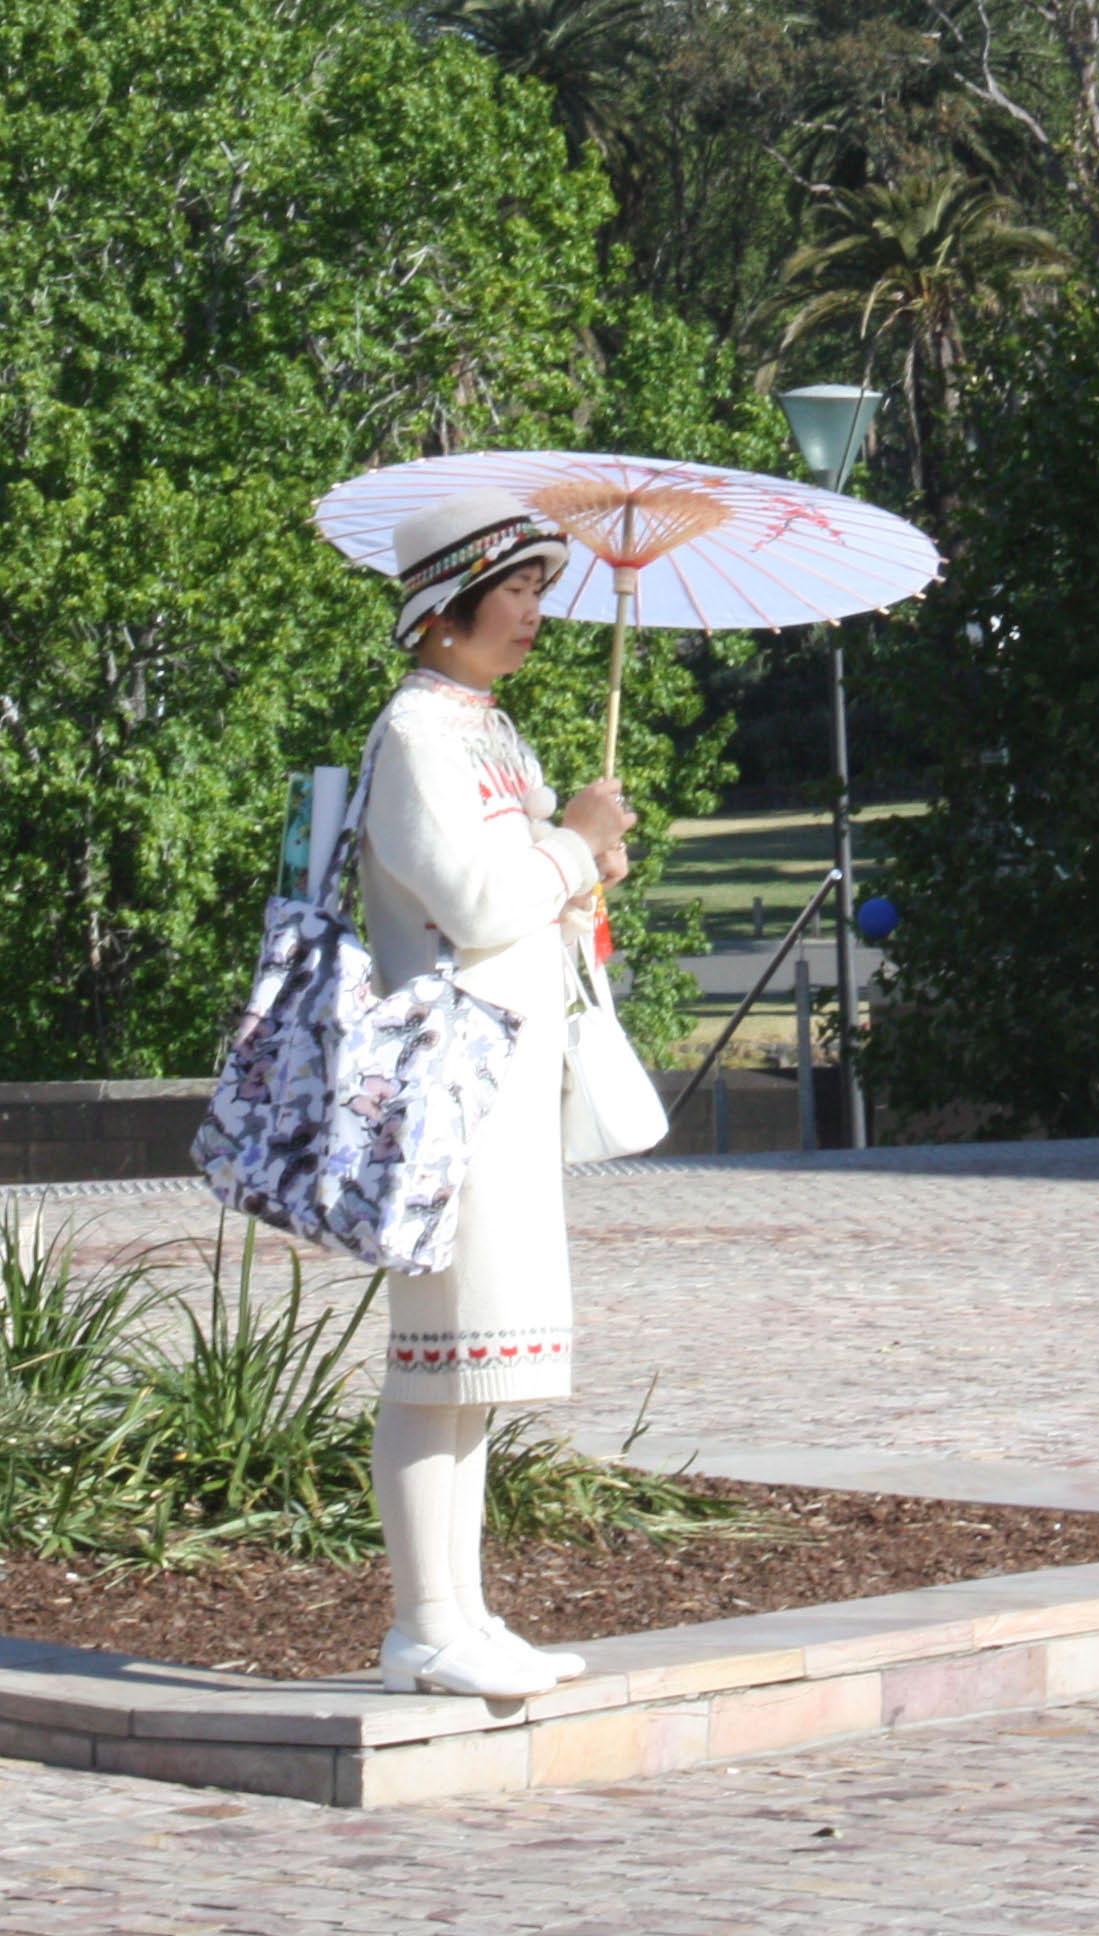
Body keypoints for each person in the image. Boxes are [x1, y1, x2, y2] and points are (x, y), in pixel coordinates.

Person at [361, 489, 635, 1698]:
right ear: (443, 606)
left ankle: (460, 1614)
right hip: (447, 1090)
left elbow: (525, 899)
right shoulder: (415, 736)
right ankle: (425, 1623)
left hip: (512, 1084)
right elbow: (471, 905)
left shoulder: (496, 733)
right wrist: (567, 847)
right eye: (513, 590)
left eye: (537, 589)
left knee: (479, 1365)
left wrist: (584, 871)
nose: (534, 612)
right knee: (439, 1357)